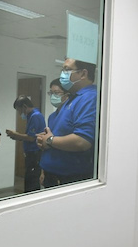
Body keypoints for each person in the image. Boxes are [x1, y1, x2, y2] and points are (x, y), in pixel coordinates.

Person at [36, 58, 97, 186]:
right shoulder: (73, 99)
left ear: (83, 74)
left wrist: (50, 140)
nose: (62, 73)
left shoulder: (89, 97)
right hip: (52, 174)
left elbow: (82, 141)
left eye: (67, 69)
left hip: (68, 179)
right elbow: (56, 135)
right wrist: (46, 141)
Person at [5, 95, 44, 192]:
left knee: (32, 183)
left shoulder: (35, 116)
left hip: (35, 154)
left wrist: (16, 135)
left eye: (19, 110)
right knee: (28, 180)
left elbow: (31, 138)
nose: (19, 113)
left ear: (25, 107)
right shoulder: (31, 115)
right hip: (30, 153)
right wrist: (16, 136)